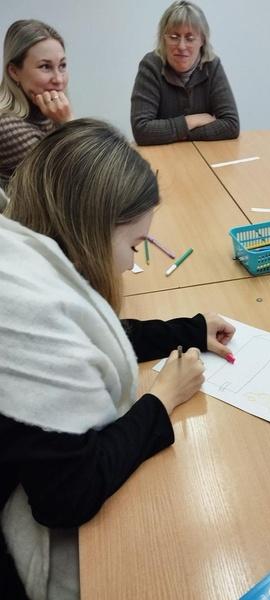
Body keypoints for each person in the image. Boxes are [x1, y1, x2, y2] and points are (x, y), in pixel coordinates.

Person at [0, 118, 235, 600]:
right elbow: (67, 496)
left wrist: (189, 330)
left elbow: (88, 335)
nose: (131, 264)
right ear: (90, 234)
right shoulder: (33, 336)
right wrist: (161, 400)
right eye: (133, 246)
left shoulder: (27, 272)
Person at [131, 0, 239, 145]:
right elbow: (142, 131)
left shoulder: (211, 65)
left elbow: (231, 125)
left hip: (202, 154)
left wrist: (176, 134)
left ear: (202, 40)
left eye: (190, 38)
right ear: (163, 38)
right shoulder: (151, 65)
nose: (182, 46)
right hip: (162, 155)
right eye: (174, 37)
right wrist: (192, 121)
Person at [0, 19, 73, 188]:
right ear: (14, 72)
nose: (59, 79)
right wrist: (68, 123)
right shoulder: (6, 125)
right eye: (45, 67)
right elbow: (69, 181)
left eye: (62, 65)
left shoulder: (48, 114)